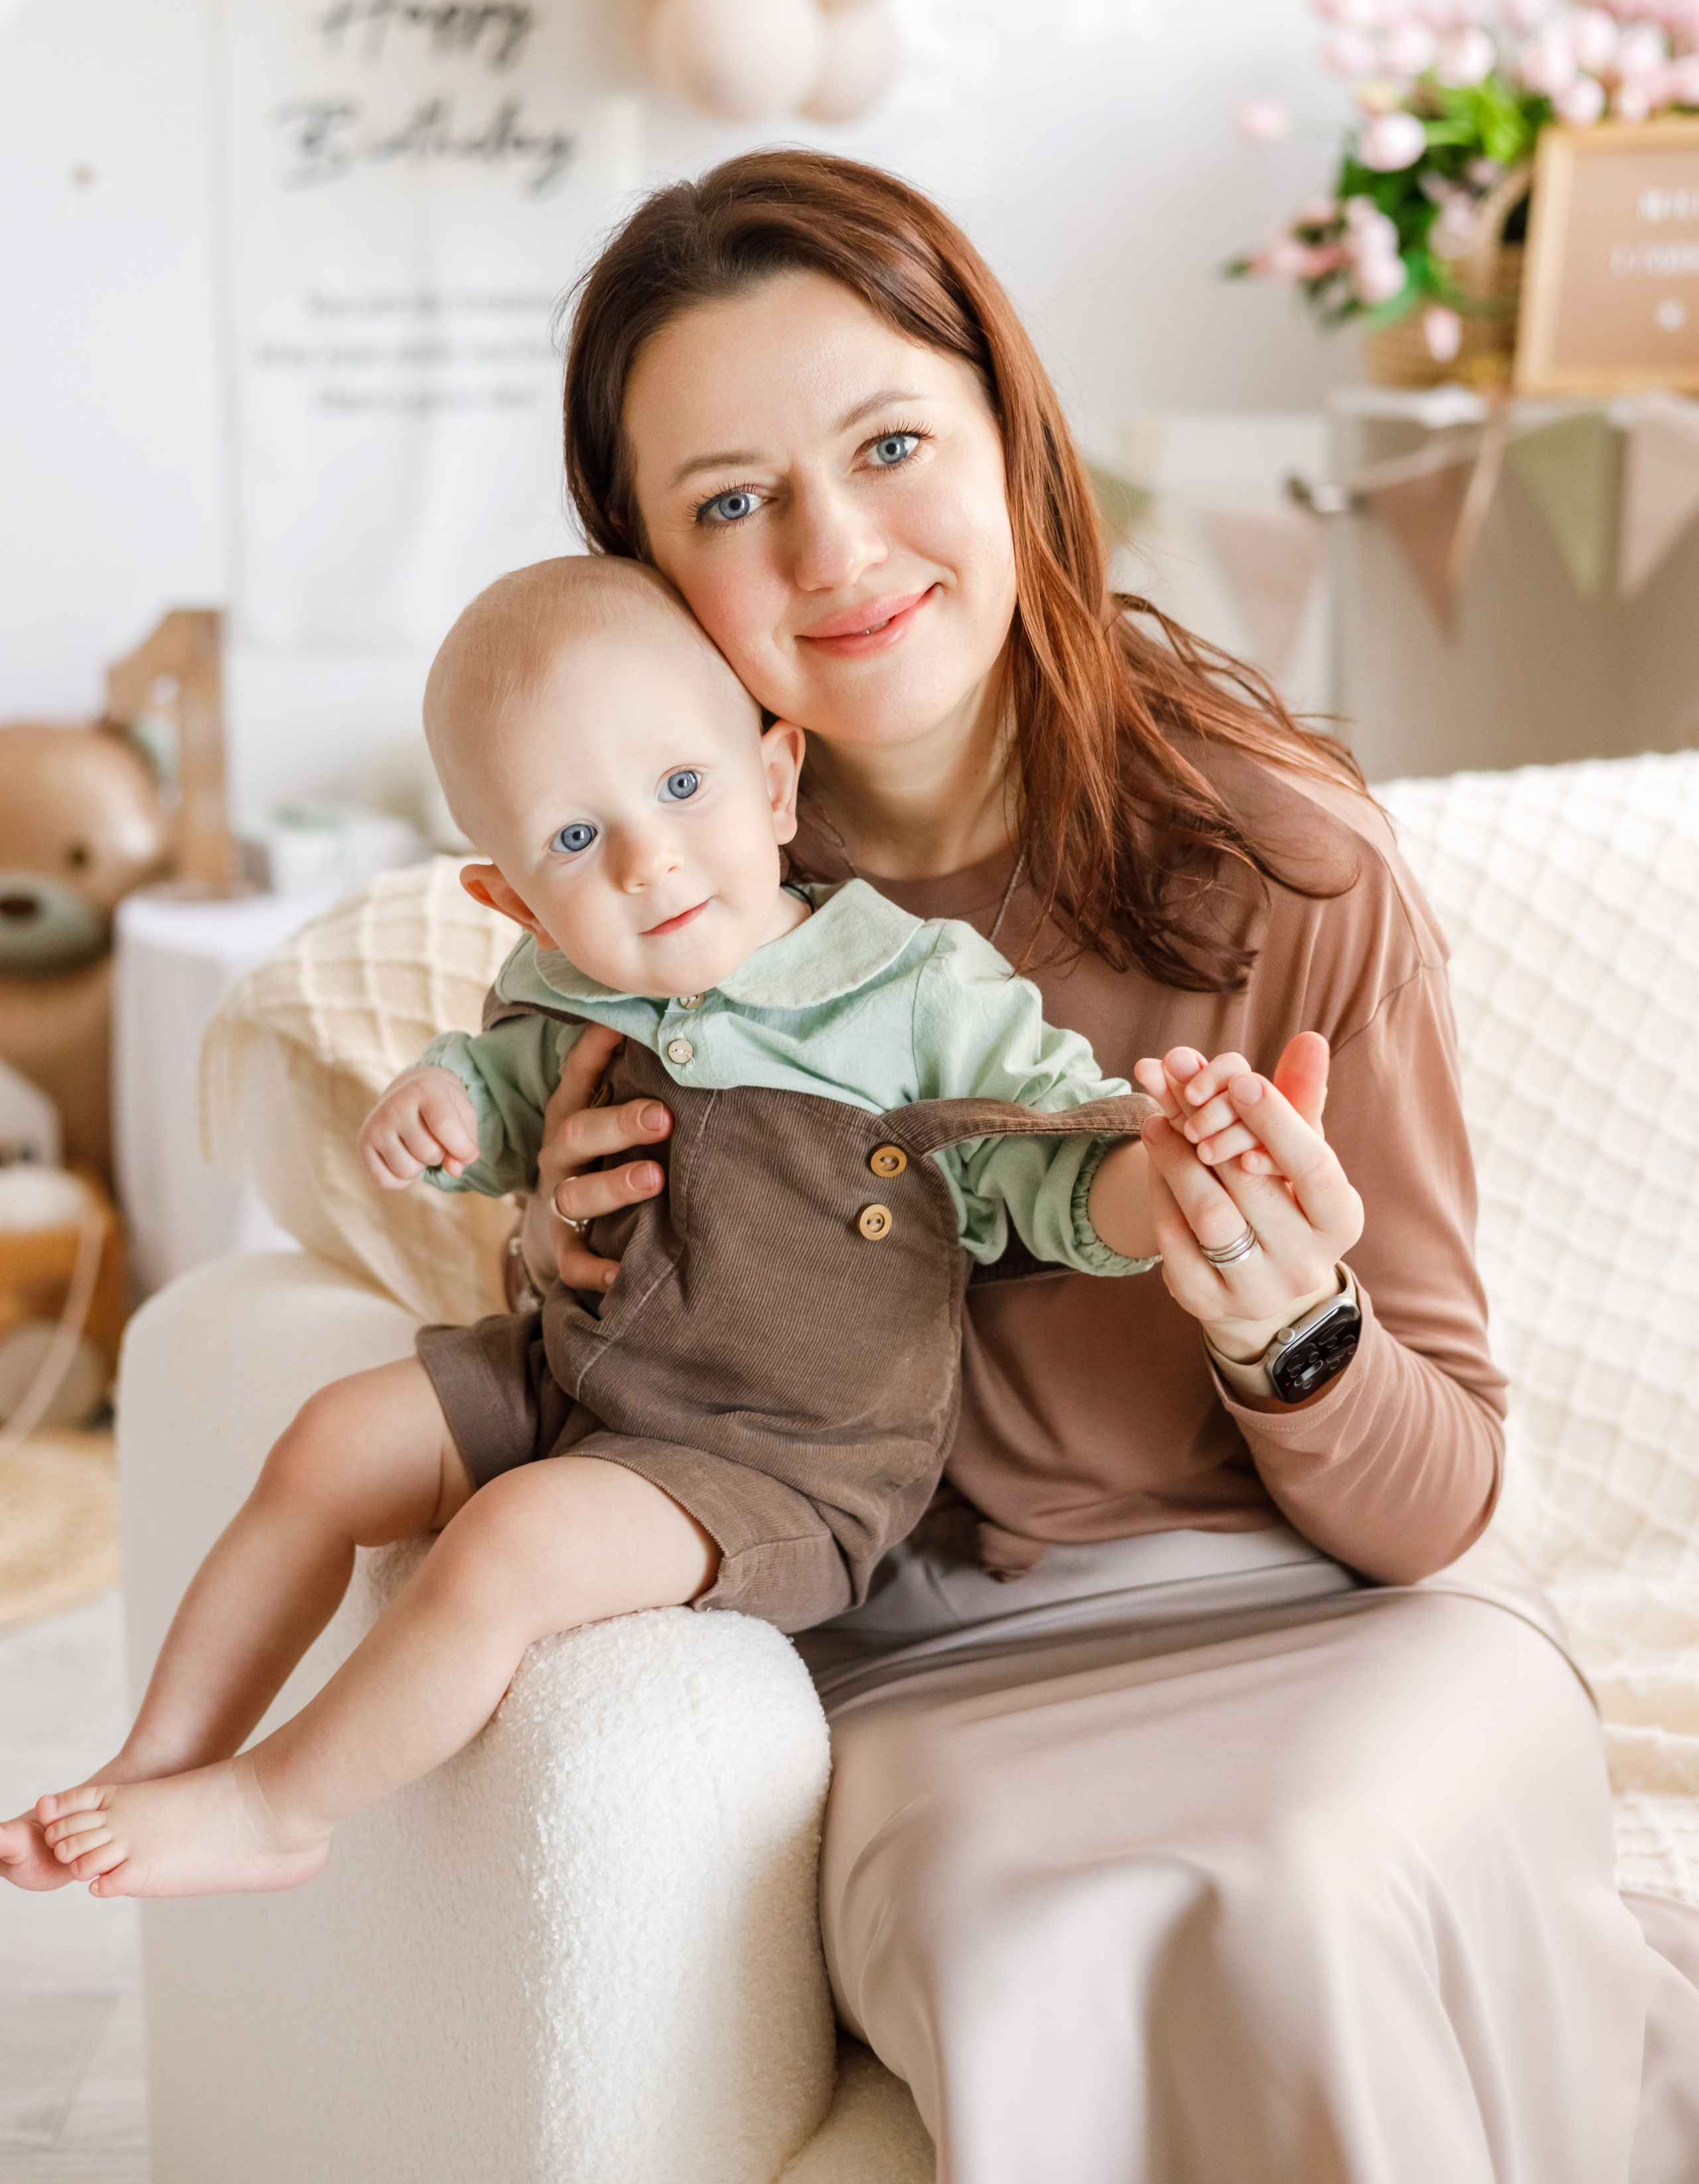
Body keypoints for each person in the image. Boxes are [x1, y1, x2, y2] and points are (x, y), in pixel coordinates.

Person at [500, 151, 1699, 2181]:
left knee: (1310, 1885)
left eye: (890, 444)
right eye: (728, 501)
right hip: (926, 1676)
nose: (836, 550)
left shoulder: (1275, 863)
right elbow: (631, 1460)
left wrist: (1292, 1330)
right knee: (1025, 1930)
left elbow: (1443, 1501)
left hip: (1339, 1631)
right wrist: (557, 1267)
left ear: (1012, 440)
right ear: (641, 568)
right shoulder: (633, 919)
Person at [0, 551, 1295, 1900]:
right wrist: (438, 1104)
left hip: (780, 1461)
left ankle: (280, 1805)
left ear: (775, 779)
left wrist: (1171, 1177)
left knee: (513, 1545)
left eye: (682, 788)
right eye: (572, 839)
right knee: (331, 1440)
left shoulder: (909, 993)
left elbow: (1052, 1168)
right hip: (572, 1375)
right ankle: (160, 1753)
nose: (646, 857)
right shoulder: (564, 982)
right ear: (508, 898)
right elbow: (498, 1099)